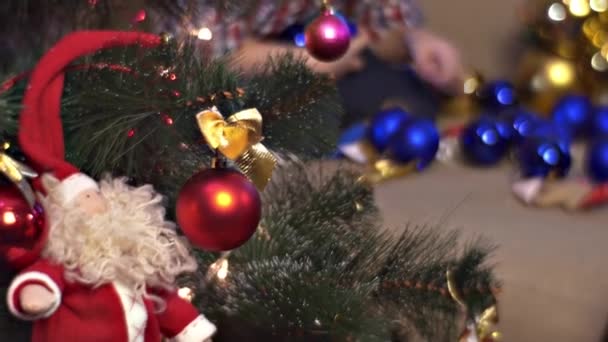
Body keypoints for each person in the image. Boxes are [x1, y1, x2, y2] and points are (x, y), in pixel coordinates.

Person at [152, 0, 464, 123]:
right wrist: (310, 62)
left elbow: (383, 14)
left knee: (407, 94)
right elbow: (205, 52)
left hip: (307, 50)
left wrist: (415, 40)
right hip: (185, 76)